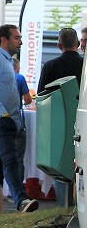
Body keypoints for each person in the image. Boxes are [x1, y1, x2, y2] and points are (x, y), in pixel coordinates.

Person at [0, 24, 38, 213]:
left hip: (3, 119)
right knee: (11, 158)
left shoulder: (6, 61)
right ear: (4, 40)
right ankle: (21, 200)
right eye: (16, 38)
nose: (20, 42)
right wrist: (2, 112)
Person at [38, 27, 83, 206]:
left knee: (60, 163)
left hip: (57, 120)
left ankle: (62, 206)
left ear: (58, 45)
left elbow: (42, 94)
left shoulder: (50, 65)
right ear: (78, 44)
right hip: (81, 118)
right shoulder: (84, 65)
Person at [38, 27, 83, 92]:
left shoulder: (49, 66)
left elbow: (40, 94)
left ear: (59, 46)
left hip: (55, 102)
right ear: (78, 44)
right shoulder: (84, 65)